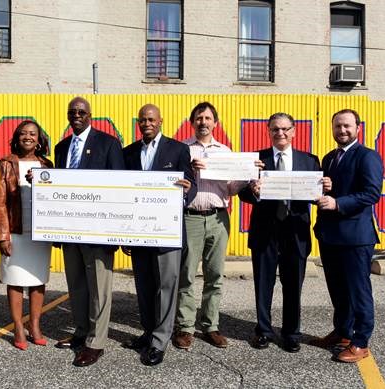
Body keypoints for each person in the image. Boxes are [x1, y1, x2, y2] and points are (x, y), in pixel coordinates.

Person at [238, 112, 323, 353]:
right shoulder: (257, 159)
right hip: (265, 231)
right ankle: (263, 331)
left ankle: (291, 333)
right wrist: (253, 189)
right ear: (269, 131)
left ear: (294, 131)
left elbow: (317, 197)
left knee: (293, 285)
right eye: (275, 129)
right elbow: (243, 194)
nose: (281, 133)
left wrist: (323, 190)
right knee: (263, 284)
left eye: (285, 129)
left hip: (295, 232)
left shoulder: (309, 161)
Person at [122, 104, 196, 366]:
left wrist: (187, 191)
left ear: (160, 121)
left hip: (167, 232)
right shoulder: (128, 153)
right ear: (138, 123)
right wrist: (124, 235)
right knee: (144, 287)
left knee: (166, 286)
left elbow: (191, 184)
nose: (147, 123)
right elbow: (123, 195)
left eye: (151, 119)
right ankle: (148, 331)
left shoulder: (178, 149)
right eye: (142, 120)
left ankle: (159, 341)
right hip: (138, 233)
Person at [53, 96, 125, 367]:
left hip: (98, 232)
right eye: (72, 112)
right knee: (77, 286)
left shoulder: (107, 144)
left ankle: (96, 342)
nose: (77, 115)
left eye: (81, 112)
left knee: (99, 289)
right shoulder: (62, 148)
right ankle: (82, 332)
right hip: (70, 231)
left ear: (90, 115)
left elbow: (119, 189)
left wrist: (116, 232)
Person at [173, 102, 246, 350]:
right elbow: (171, 182)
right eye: (198, 118)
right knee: (187, 274)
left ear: (215, 122)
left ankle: (211, 325)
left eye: (207, 118)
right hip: (190, 217)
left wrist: (249, 176)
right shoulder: (181, 149)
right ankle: (185, 327)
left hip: (217, 217)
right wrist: (186, 175)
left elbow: (233, 189)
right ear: (192, 122)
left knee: (215, 275)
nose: (203, 122)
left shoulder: (225, 152)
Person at [313, 109, 383, 363]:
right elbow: (327, 190)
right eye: (337, 126)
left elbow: (371, 193)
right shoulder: (330, 157)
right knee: (338, 289)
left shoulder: (367, 156)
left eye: (346, 126)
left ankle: (361, 340)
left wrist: (338, 202)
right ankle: (343, 332)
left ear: (357, 128)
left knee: (358, 291)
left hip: (356, 236)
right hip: (330, 236)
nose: (341, 130)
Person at [0, 120, 53, 351]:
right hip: (15, 233)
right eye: (23, 133)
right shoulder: (5, 164)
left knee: (38, 281)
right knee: (16, 281)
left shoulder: (47, 164)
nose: (28, 137)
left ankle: (35, 325)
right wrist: (3, 236)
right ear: (17, 137)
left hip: (40, 234)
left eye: (33, 134)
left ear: (39, 139)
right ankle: (18, 326)